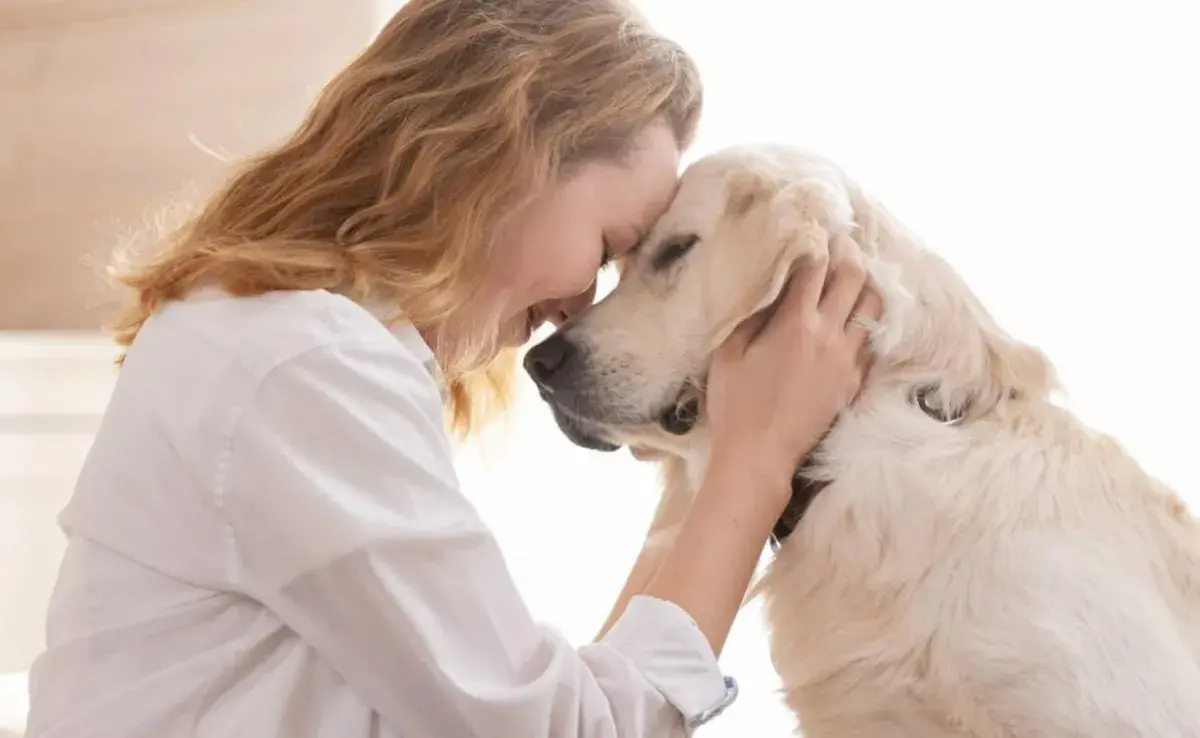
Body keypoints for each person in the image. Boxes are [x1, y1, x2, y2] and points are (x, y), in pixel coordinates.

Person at [26, 1, 881, 736]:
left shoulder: (274, 337)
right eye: (610, 247)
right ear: (507, 153)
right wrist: (755, 463)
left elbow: (555, 702)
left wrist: (707, 468)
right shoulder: (304, 365)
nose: (581, 305)